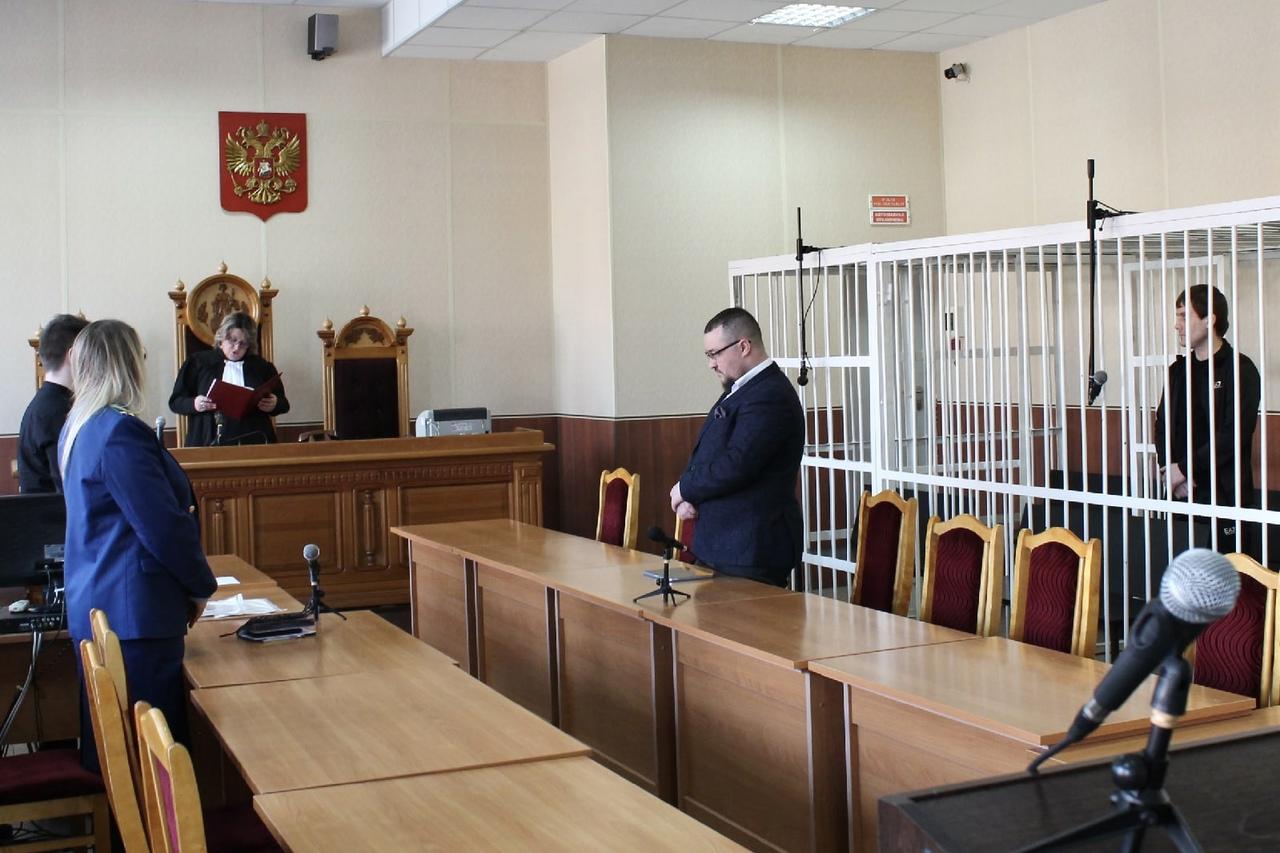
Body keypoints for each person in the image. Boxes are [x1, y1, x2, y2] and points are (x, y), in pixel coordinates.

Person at [60, 319, 217, 769]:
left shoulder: (80, 427)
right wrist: (199, 587)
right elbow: (162, 526)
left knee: (121, 756)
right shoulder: (119, 431)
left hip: (102, 603)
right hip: (134, 615)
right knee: (154, 764)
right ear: (127, 364)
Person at [669, 307, 805, 587]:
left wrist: (685, 488)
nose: (711, 364)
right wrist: (691, 496)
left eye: (714, 354)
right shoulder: (742, 390)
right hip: (725, 546)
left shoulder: (770, 395)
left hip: (750, 548)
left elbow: (738, 464)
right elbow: (710, 451)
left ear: (743, 346)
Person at [1153, 284, 1261, 554]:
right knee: (1180, 573)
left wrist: (1184, 469)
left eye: (1183, 316)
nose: (1176, 325)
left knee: (1226, 575)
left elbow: (1233, 434)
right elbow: (1162, 425)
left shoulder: (1240, 369)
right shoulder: (1178, 371)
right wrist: (1170, 472)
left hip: (1225, 497)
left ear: (1209, 319)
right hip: (1181, 493)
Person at [168, 311, 288, 446]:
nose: (237, 348)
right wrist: (194, 404)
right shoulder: (198, 363)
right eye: (232, 340)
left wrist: (274, 403)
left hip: (254, 441)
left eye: (243, 343)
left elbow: (283, 404)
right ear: (221, 340)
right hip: (207, 440)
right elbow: (175, 402)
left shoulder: (262, 367)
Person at [17, 314, 89, 493]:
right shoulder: (56, 410)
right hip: (54, 510)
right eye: (91, 352)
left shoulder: (48, 403)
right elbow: (70, 486)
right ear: (74, 355)